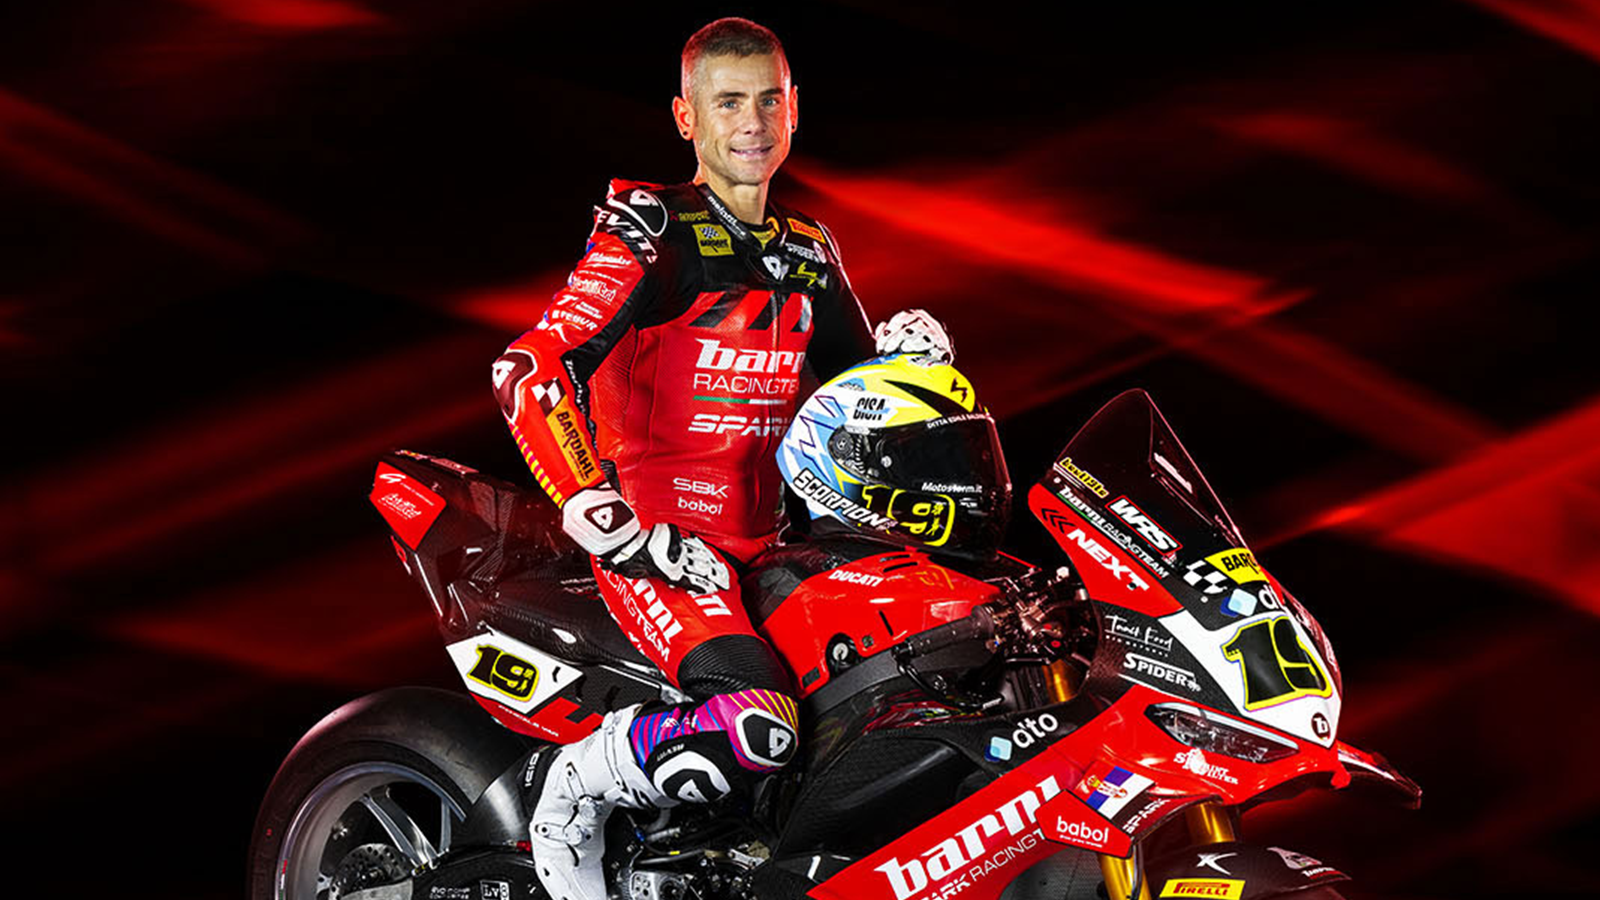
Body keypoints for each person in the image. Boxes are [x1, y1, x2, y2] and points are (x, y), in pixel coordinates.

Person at [491, 17, 953, 900]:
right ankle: (575, 784)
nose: (753, 123)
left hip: (777, 546)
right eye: (729, 102)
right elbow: (529, 366)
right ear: (686, 117)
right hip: (661, 547)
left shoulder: (810, 250)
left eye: (769, 101)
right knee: (757, 725)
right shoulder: (651, 231)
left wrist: (913, 365)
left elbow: (856, 394)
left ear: (795, 109)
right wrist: (599, 510)